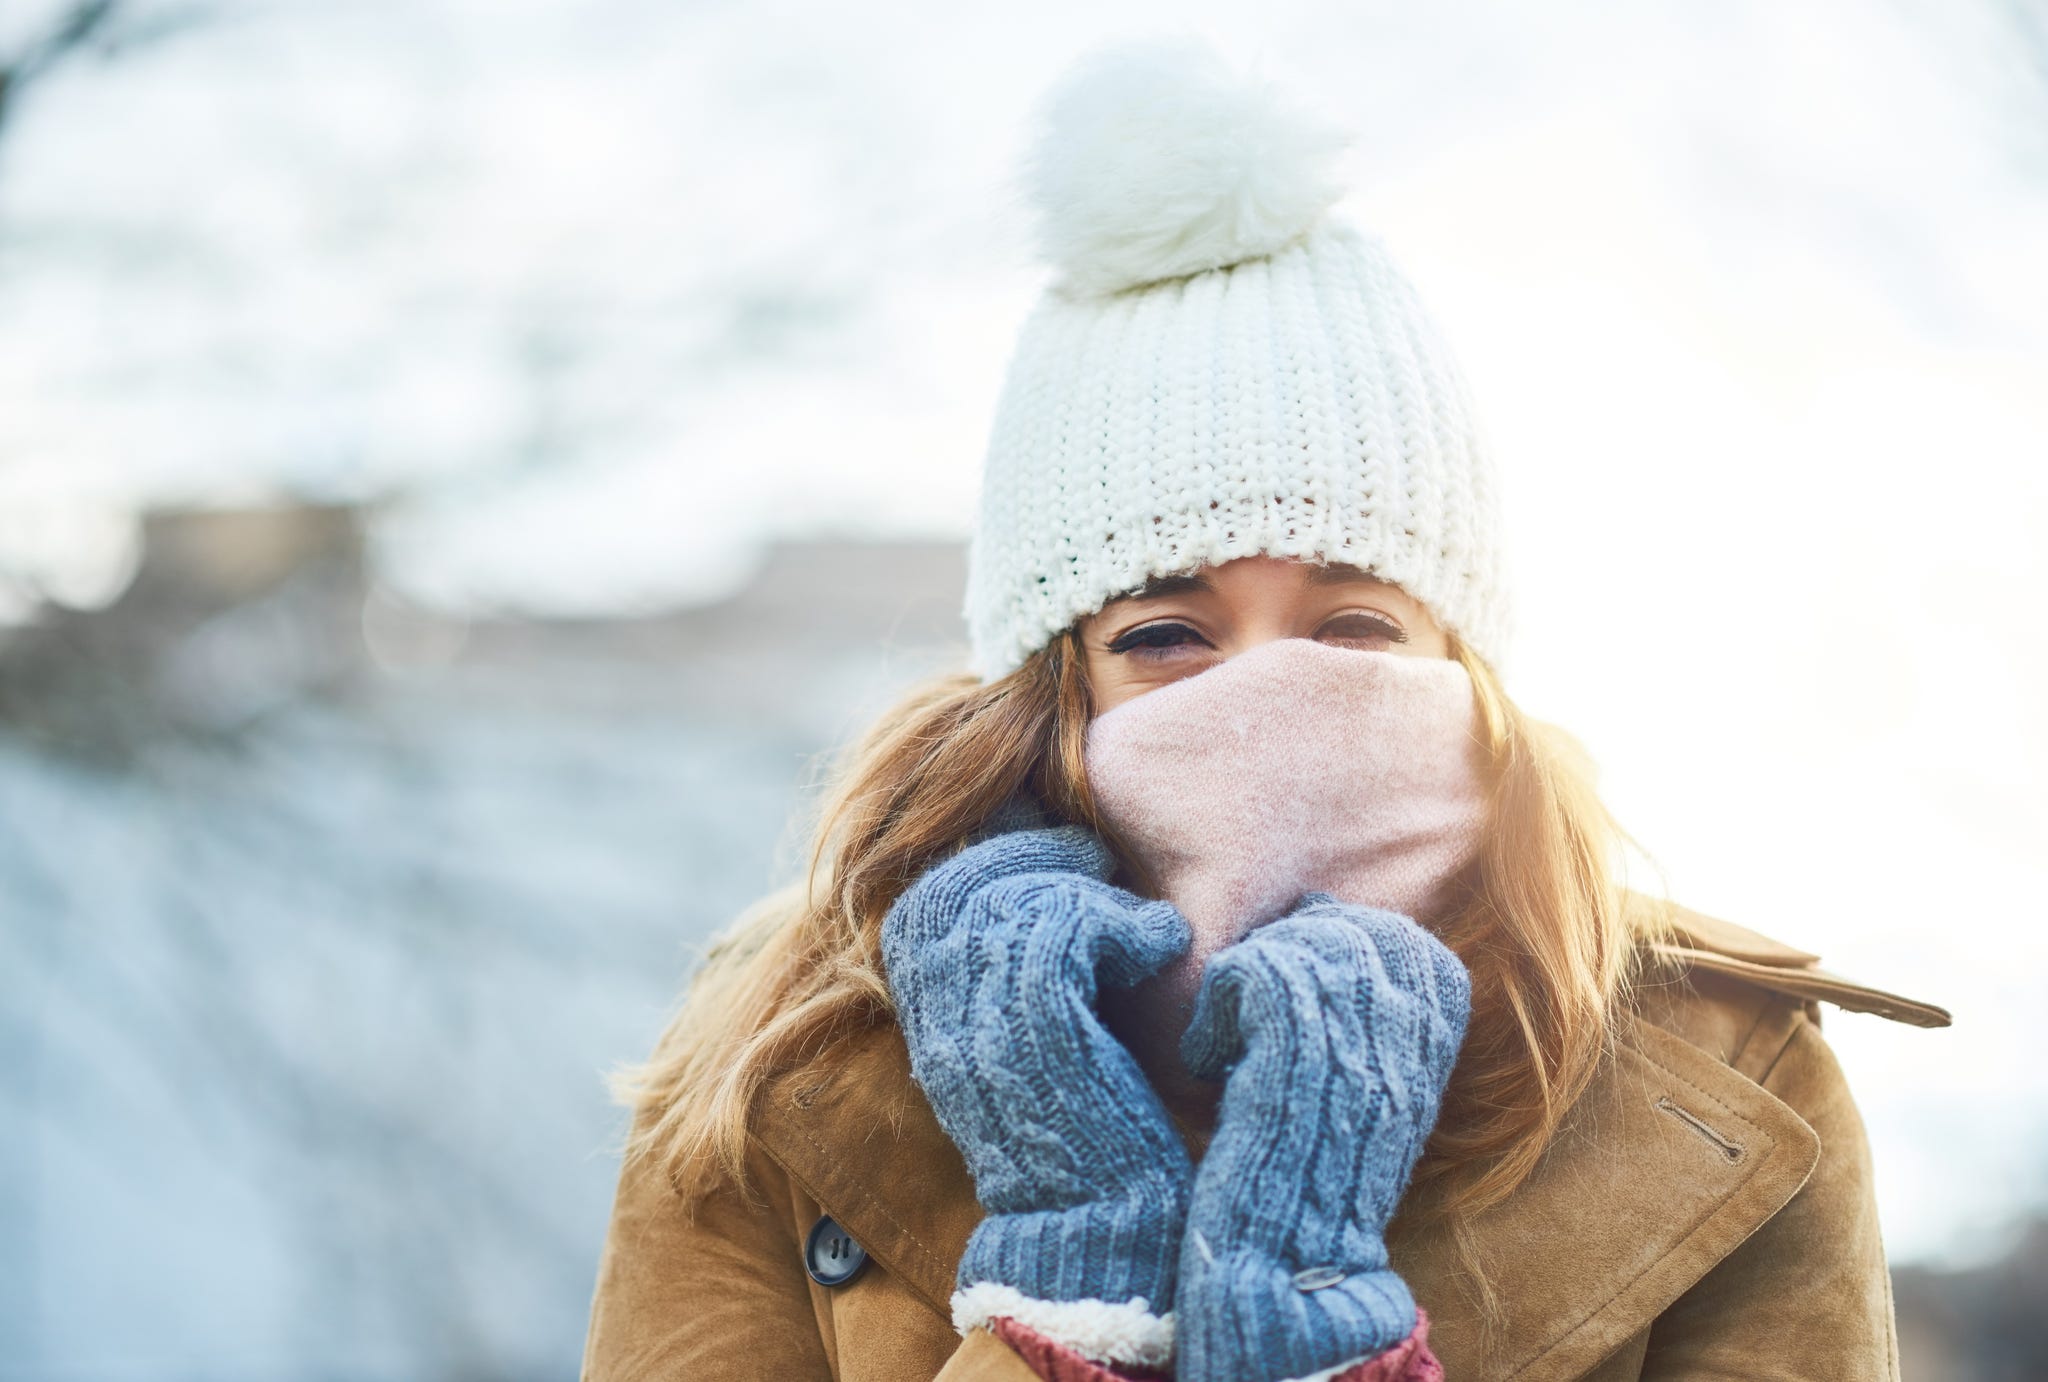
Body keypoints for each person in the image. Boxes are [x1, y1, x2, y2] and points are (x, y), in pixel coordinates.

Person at [579, 36, 1950, 1382]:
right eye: (1167, 634)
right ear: (1054, 687)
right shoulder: (790, 1048)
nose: (1266, 702)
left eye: (1355, 628)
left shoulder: (1724, 1066)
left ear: (1460, 659)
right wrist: (1068, 1283)